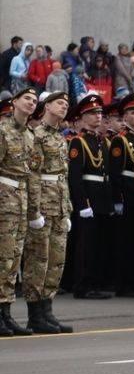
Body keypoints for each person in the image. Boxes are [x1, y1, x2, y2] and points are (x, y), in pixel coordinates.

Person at [22, 91, 74, 333]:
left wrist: (69, 209)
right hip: (43, 206)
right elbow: (32, 175)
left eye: (66, 104)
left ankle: (47, 311)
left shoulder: (61, 138)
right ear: (47, 106)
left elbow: (63, 177)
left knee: (56, 261)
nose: (64, 107)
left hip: (60, 207)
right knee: (38, 261)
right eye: (59, 103)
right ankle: (35, 315)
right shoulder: (37, 136)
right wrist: (34, 211)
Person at [66, 93, 114, 300]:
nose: (98, 117)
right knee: (86, 245)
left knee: (99, 243)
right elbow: (75, 177)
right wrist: (83, 203)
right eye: (92, 113)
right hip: (88, 198)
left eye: (100, 113)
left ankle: (95, 282)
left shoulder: (102, 142)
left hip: (102, 197)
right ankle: (83, 285)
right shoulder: (79, 142)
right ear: (83, 117)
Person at [0, 87, 39, 337]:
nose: (32, 103)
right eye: (27, 98)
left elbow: (31, 172)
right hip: (4, 199)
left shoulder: (30, 134)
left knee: (14, 260)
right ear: (14, 102)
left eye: (35, 100)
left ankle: (6, 314)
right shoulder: (2, 130)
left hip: (21, 200)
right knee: (2, 258)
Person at [109, 93, 134, 297]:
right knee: (126, 242)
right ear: (125, 116)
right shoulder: (120, 140)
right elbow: (115, 173)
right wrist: (118, 199)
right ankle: (124, 284)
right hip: (128, 194)